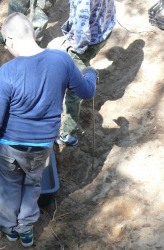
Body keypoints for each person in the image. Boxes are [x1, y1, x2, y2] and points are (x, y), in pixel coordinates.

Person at [0, 13, 97, 247]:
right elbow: (86, 92)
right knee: (32, 183)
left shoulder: (7, 71)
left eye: (5, 43)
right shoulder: (62, 61)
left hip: (9, 146)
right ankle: (26, 230)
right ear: (33, 33)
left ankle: (9, 228)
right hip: (43, 145)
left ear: (10, 41)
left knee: (8, 184)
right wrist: (91, 73)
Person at [54, 0, 116, 146]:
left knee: (73, 90)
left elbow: (81, 23)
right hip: (103, 32)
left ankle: (69, 134)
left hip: (86, 42)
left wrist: (78, 48)